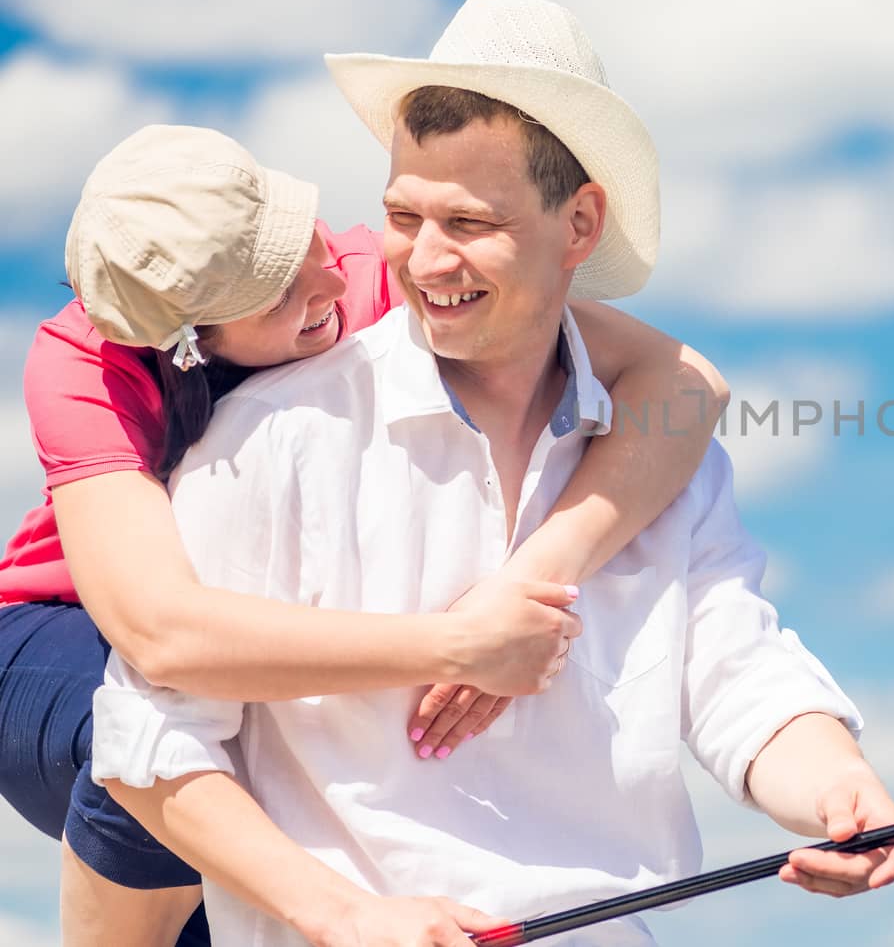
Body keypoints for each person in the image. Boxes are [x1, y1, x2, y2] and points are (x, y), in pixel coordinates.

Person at [93, 0, 894, 947]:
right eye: (404, 215)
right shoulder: (269, 438)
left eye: (470, 222)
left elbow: (734, 667)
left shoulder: (670, 460)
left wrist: (835, 784)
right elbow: (147, 748)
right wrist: (348, 916)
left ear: (580, 225)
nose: (425, 258)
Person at [0, 121, 731, 946]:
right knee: (143, 724)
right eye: (275, 296)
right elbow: (160, 633)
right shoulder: (83, 363)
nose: (324, 280)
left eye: (301, 239)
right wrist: (456, 646)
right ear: (193, 346)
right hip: (57, 634)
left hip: (246, 618)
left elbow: (685, 384)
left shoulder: (374, 277)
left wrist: (532, 573)